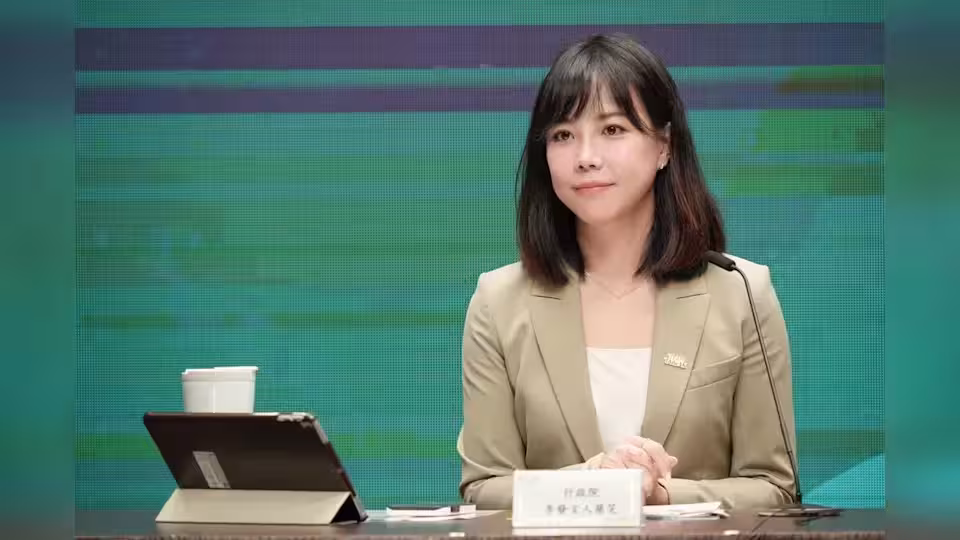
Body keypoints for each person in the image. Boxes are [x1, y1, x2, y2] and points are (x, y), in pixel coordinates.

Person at [456, 34, 797, 510]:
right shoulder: (498, 301)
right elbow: (484, 490)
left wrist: (659, 492)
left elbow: (775, 489)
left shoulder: (742, 291)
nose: (585, 157)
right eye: (562, 135)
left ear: (664, 146)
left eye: (613, 129)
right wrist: (594, 480)